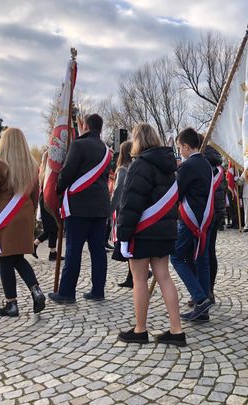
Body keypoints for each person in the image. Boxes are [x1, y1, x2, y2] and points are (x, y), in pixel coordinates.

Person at [116, 123, 185, 346]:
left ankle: (140, 329)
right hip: (164, 231)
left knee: (139, 279)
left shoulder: (139, 165)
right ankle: (176, 330)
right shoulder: (169, 166)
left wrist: (123, 234)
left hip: (143, 232)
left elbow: (130, 204)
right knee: (164, 276)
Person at [0, 128, 45, 316]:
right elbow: (35, 194)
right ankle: (36, 290)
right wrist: (30, 216)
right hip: (24, 216)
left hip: (4, 218)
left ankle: (11, 304)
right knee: (18, 258)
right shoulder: (32, 165)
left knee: (5, 259)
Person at [49, 114, 111, 304]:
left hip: (79, 206)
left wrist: (58, 189)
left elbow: (67, 172)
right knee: (98, 251)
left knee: (73, 250)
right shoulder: (106, 150)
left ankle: (67, 292)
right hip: (100, 207)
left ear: (85, 126)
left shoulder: (78, 145)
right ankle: (98, 290)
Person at [170, 127, 214, 322]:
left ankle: (200, 297)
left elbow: (177, 193)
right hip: (205, 217)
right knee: (202, 259)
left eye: (180, 147)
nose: (180, 151)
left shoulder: (188, 166)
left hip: (190, 218)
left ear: (187, 147)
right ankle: (203, 308)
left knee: (176, 257)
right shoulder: (205, 163)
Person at [109, 140, 135, 288]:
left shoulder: (123, 170)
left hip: (124, 210)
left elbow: (118, 192)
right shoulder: (135, 167)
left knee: (126, 242)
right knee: (130, 243)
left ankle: (135, 275)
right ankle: (131, 276)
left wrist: (109, 210)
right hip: (133, 209)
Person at [202, 143, 226, 303]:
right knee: (210, 252)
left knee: (202, 254)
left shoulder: (204, 166)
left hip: (206, 215)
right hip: (217, 213)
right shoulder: (219, 168)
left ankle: (205, 291)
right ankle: (209, 289)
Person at [33, 151, 63, 262]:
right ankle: (50, 252)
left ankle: (50, 252)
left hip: (47, 200)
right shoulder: (48, 173)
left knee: (50, 229)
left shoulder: (43, 172)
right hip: (48, 201)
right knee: (52, 228)